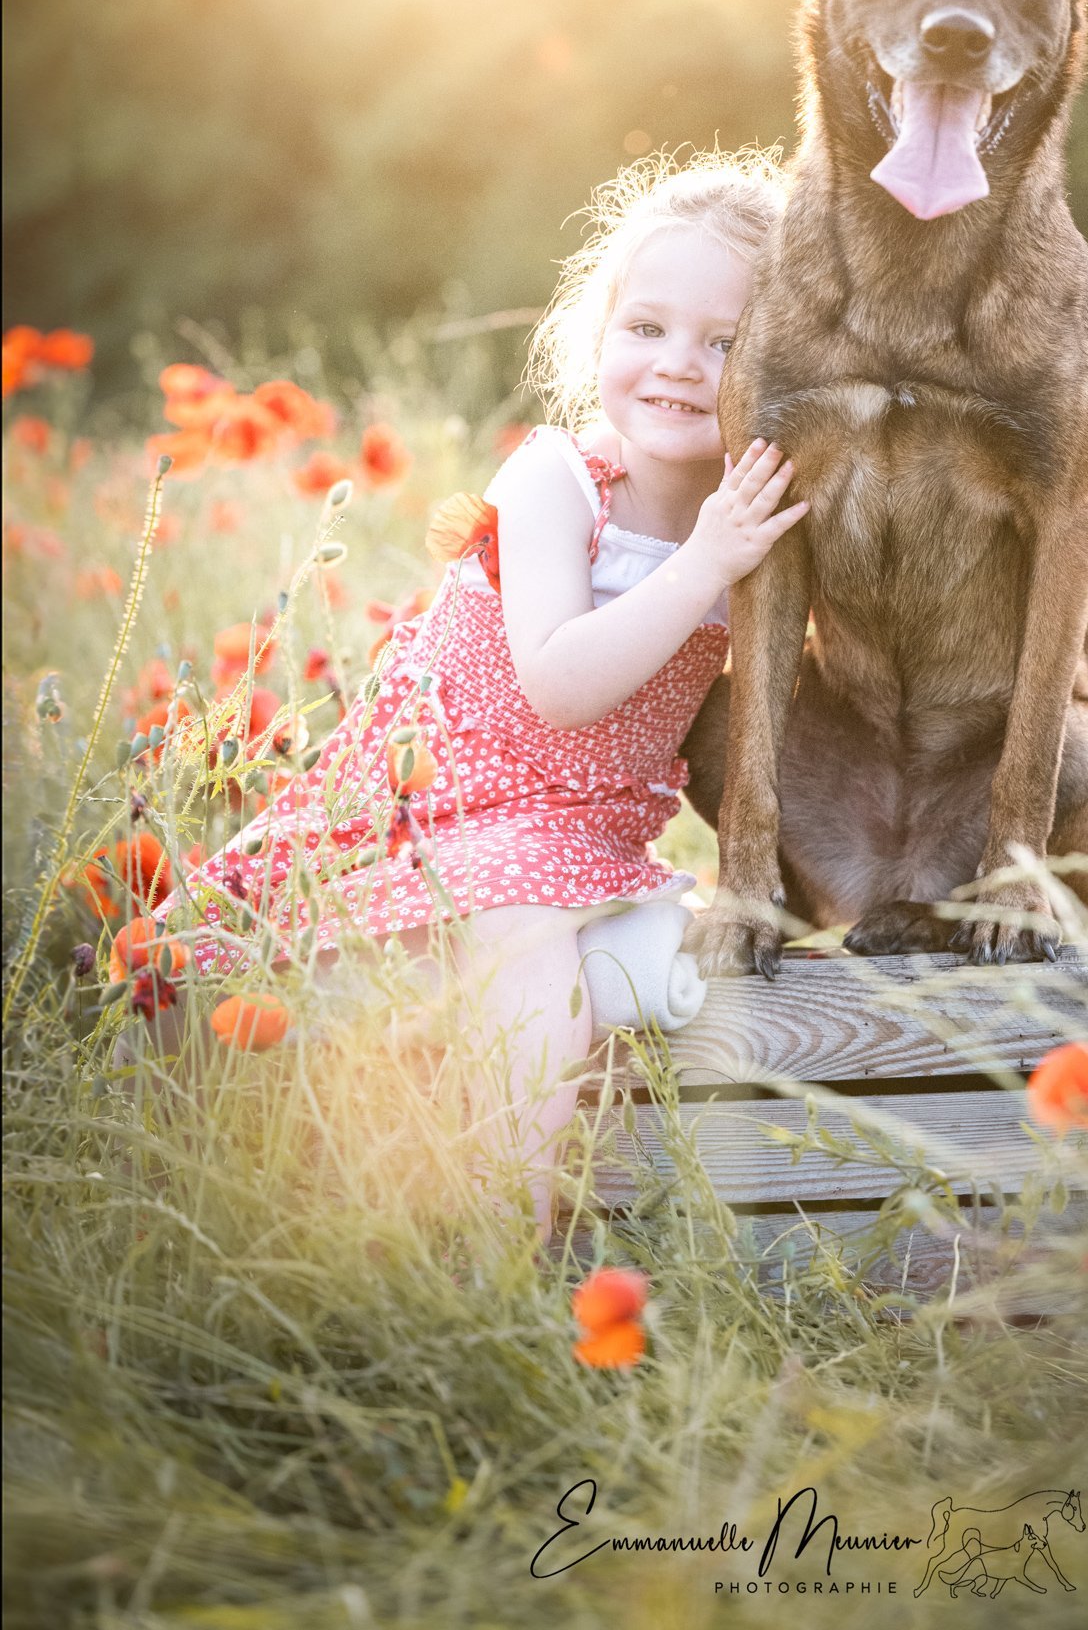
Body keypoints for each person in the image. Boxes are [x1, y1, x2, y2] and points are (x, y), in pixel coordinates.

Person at [155, 151, 807, 1240]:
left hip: (590, 840)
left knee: (674, 976)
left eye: (726, 341)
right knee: (534, 961)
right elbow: (556, 681)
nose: (678, 366)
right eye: (645, 328)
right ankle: (509, 1251)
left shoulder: (754, 513)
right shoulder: (557, 480)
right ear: (597, 336)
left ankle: (681, 1215)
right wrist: (706, 564)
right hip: (438, 814)